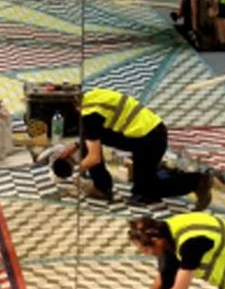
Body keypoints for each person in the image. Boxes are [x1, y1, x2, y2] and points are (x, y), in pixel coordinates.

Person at [52, 88, 216, 206]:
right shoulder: (90, 97)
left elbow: (94, 157)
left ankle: (197, 181)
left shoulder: (89, 117)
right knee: (89, 139)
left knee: (144, 191)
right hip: (147, 132)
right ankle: (102, 188)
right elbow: (94, 131)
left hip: (150, 141)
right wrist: (74, 146)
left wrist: (74, 172)